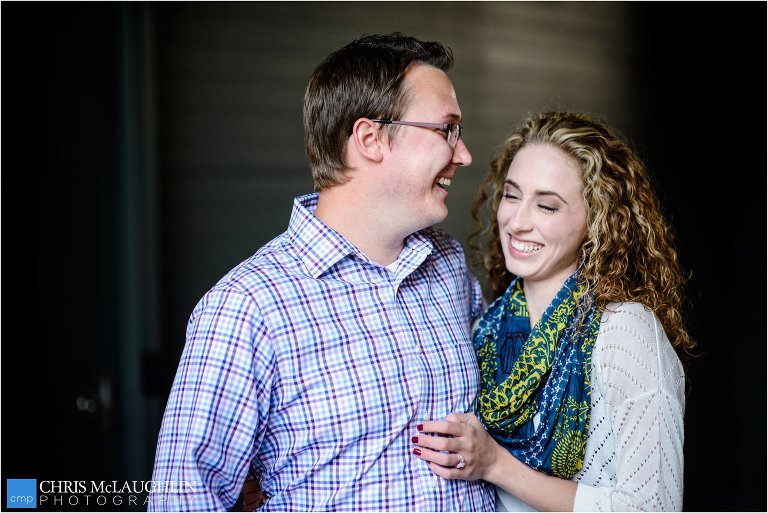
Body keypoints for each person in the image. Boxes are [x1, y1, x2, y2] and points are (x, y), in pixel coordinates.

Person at [148, 32, 495, 511]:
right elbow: (182, 499)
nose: (463, 154)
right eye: (447, 130)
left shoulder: (448, 267)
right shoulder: (249, 306)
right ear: (371, 139)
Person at [410, 111, 695, 511]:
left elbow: (653, 508)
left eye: (547, 206)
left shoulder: (626, 333)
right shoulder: (488, 327)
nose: (517, 222)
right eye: (511, 195)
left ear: (597, 220)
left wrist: (495, 463)